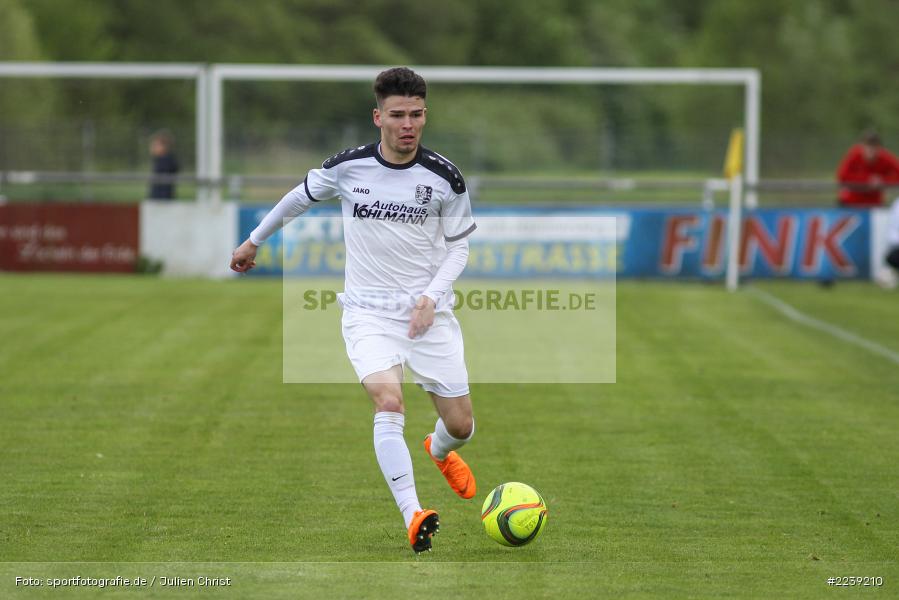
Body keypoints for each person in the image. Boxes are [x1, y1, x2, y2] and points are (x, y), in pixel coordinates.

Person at [229, 67, 478, 554]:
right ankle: (413, 514)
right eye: (398, 115)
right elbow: (297, 199)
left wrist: (431, 296)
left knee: (462, 426)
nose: (409, 124)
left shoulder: (445, 177)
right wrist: (253, 242)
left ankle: (439, 449)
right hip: (367, 312)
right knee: (389, 402)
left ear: (425, 115)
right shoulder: (348, 167)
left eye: (417, 115)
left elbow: (459, 249)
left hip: (430, 316)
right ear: (378, 117)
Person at [836, 130, 899, 207]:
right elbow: (842, 176)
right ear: (862, 146)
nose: (871, 151)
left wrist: (883, 181)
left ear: (879, 148)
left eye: (874, 147)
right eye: (868, 146)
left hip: (874, 204)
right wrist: (867, 179)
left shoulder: (885, 157)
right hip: (850, 203)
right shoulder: (854, 154)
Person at [148, 129, 180, 200]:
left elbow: (163, 187)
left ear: (164, 146)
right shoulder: (162, 160)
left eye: (155, 145)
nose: (152, 148)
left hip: (162, 200)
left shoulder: (165, 161)